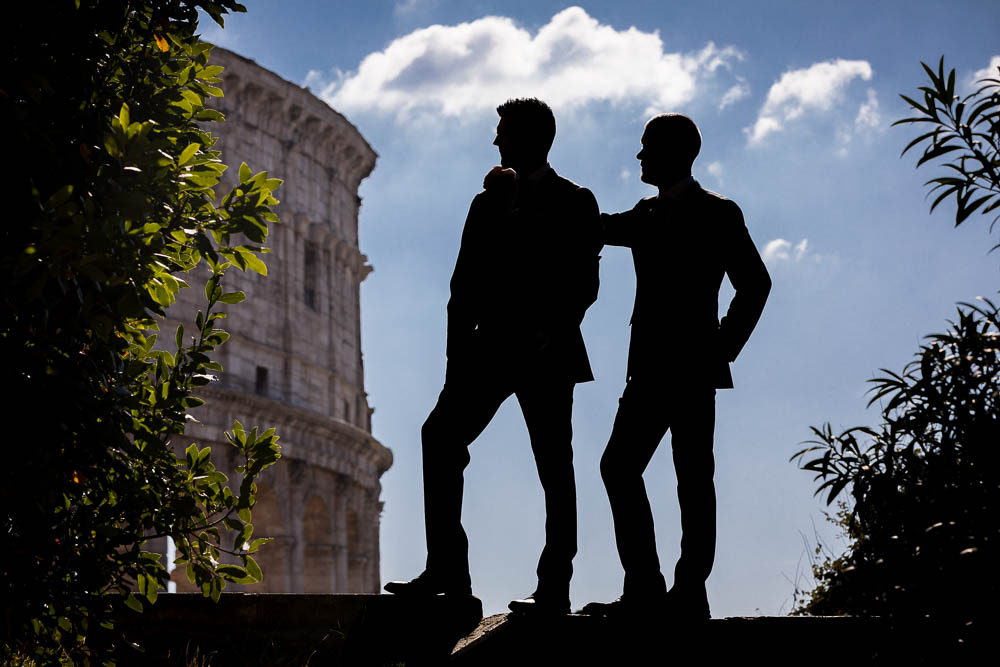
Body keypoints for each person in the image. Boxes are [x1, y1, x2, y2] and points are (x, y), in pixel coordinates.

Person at [384, 98, 602, 615]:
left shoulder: (575, 199)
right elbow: (462, 290)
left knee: (554, 466)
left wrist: (551, 330)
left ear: (532, 138)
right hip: (489, 350)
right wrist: (454, 366)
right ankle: (447, 574)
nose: (496, 141)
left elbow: (584, 282)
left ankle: (554, 587)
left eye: (503, 132)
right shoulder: (485, 203)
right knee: (438, 436)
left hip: (546, 352)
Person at [583, 113, 771, 620]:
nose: (639, 156)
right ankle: (646, 589)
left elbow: (755, 284)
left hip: (691, 371)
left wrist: (720, 348)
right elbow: (593, 227)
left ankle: (687, 592)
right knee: (620, 468)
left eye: (646, 147)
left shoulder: (719, 213)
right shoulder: (644, 215)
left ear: (675, 152)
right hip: (646, 372)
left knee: (691, 477)